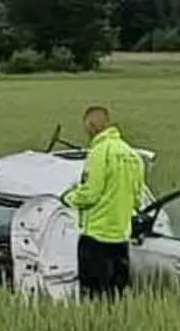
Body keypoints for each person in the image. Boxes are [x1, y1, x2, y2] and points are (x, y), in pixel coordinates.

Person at [60, 105, 144, 300]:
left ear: (91, 125)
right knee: (116, 297)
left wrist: (67, 198)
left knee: (94, 297)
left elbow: (90, 193)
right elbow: (137, 199)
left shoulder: (99, 152)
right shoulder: (132, 155)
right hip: (121, 237)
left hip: (97, 236)